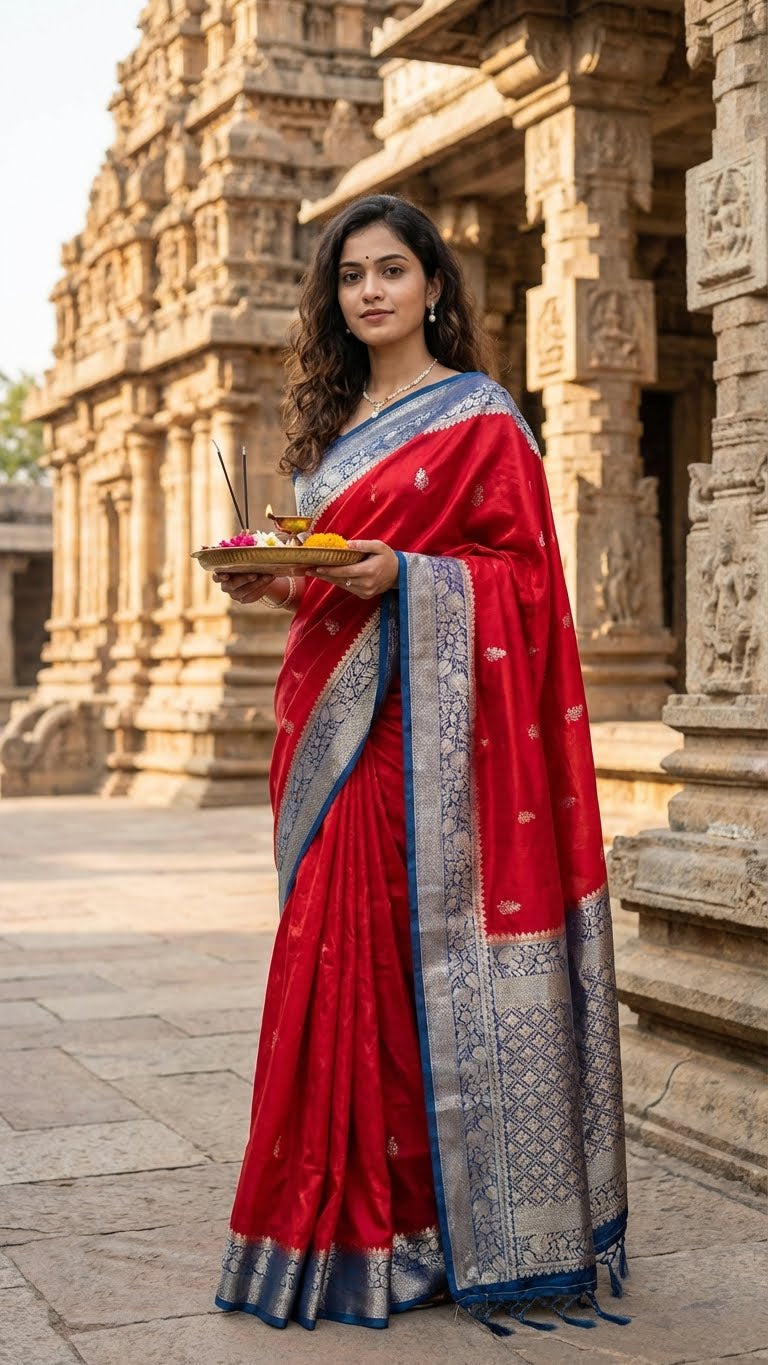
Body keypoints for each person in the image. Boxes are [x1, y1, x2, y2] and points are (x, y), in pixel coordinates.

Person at [212, 194, 629, 1335]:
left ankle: (433, 1227)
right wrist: (281, 575)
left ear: (435, 285)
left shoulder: (483, 418)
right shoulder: (338, 422)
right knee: (329, 958)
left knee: (392, 959)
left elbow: (526, 584)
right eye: (351, 277)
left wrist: (409, 578)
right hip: (326, 715)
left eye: (392, 271)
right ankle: (347, 1220)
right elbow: (336, 572)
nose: (371, 293)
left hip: (426, 730)